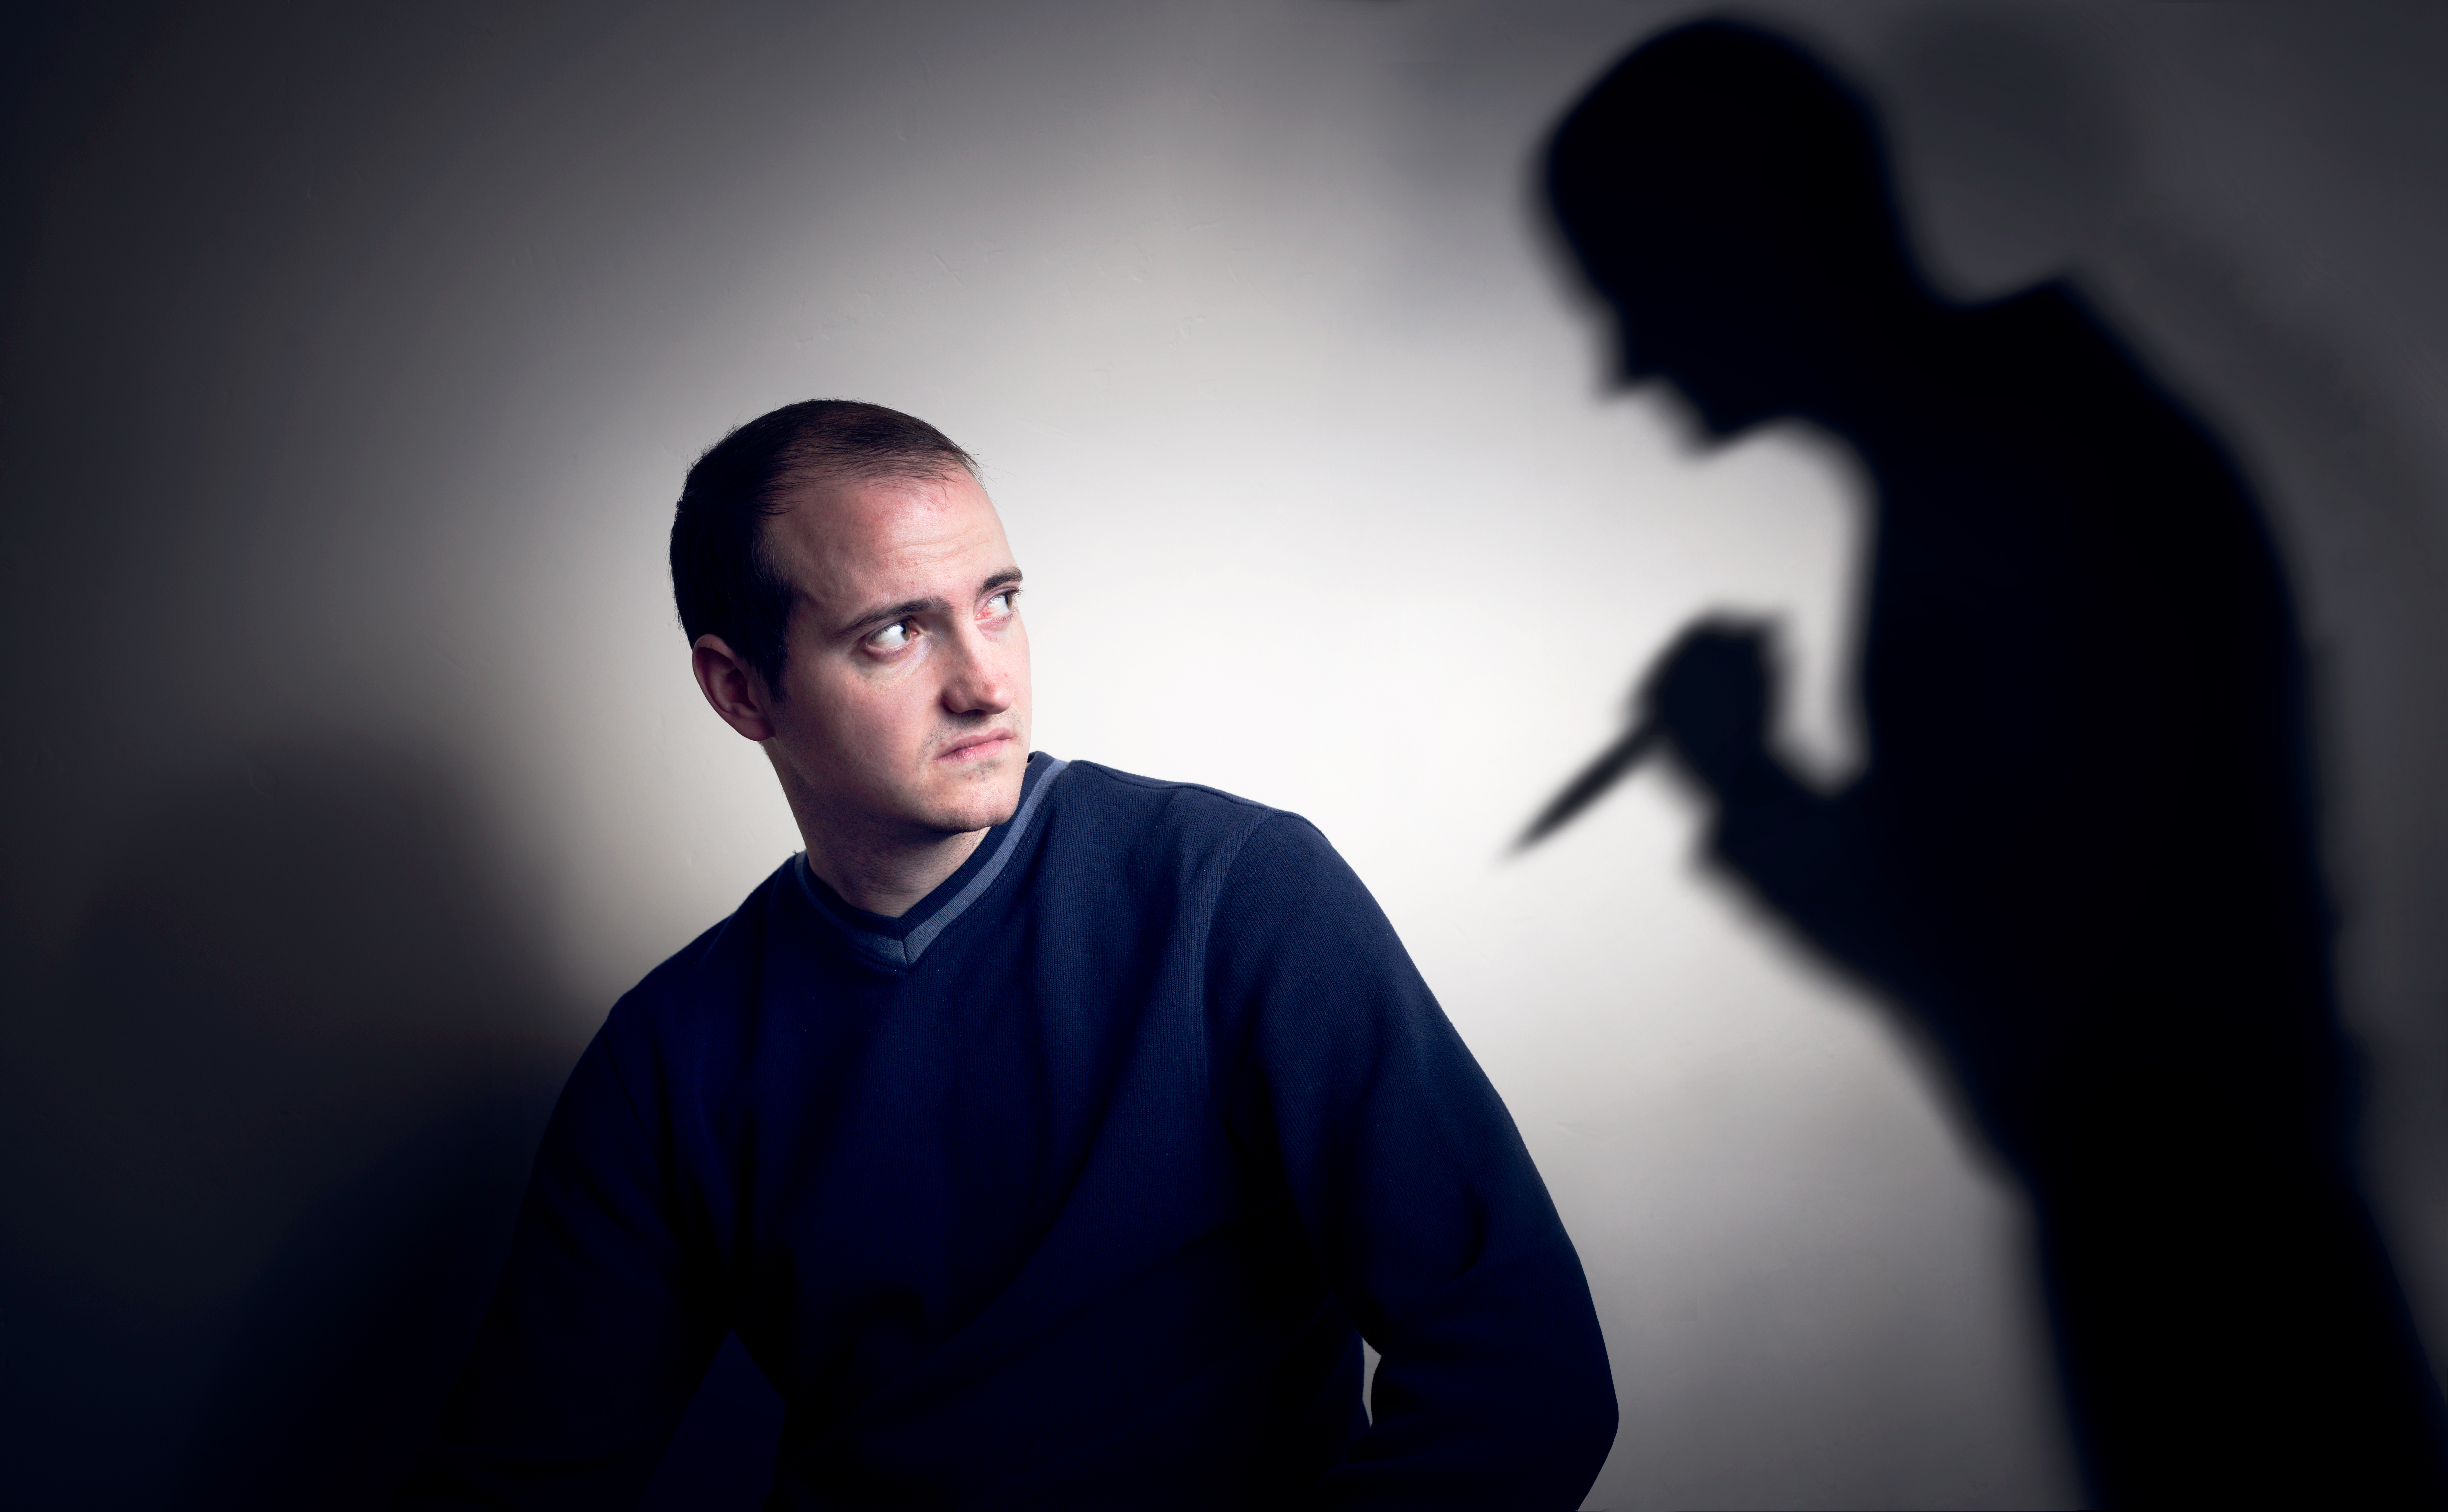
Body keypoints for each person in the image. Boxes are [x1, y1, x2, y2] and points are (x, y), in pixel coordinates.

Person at [1534, 20, 2448, 1508]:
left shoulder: (2025, 482)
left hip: (2213, 1263)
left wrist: (1756, 793)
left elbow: (2036, 1000)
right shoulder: (2026, 451)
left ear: (1751, 238)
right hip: (2213, 1237)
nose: (1625, 366)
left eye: (1632, 290)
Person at [399, 400, 1617, 1509]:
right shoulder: (670, 1057)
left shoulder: (1238, 895)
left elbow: (1522, 1374)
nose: (986, 681)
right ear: (740, 690)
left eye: (1000, 601)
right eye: (893, 634)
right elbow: (516, 1482)